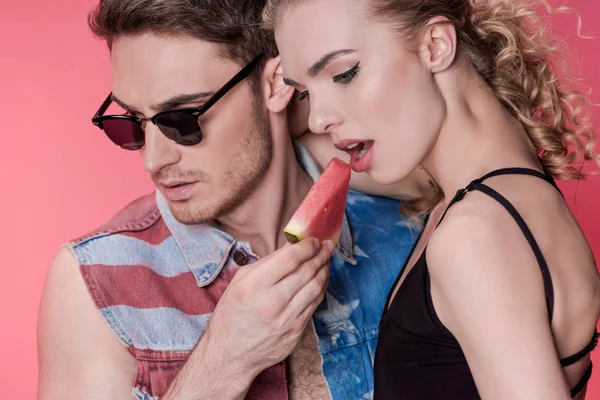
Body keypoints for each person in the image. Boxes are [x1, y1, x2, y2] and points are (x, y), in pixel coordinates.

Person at [36, 0, 431, 399]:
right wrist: (223, 361)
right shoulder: (96, 279)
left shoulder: (408, 233)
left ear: (275, 84)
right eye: (132, 123)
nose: (153, 160)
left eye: (183, 119)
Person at [264, 0, 600, 398]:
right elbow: (303, 149)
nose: (319, 118)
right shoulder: (512, 195)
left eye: (344, 73)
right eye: (304, 93)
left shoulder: (473, 235)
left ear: (436, 46)